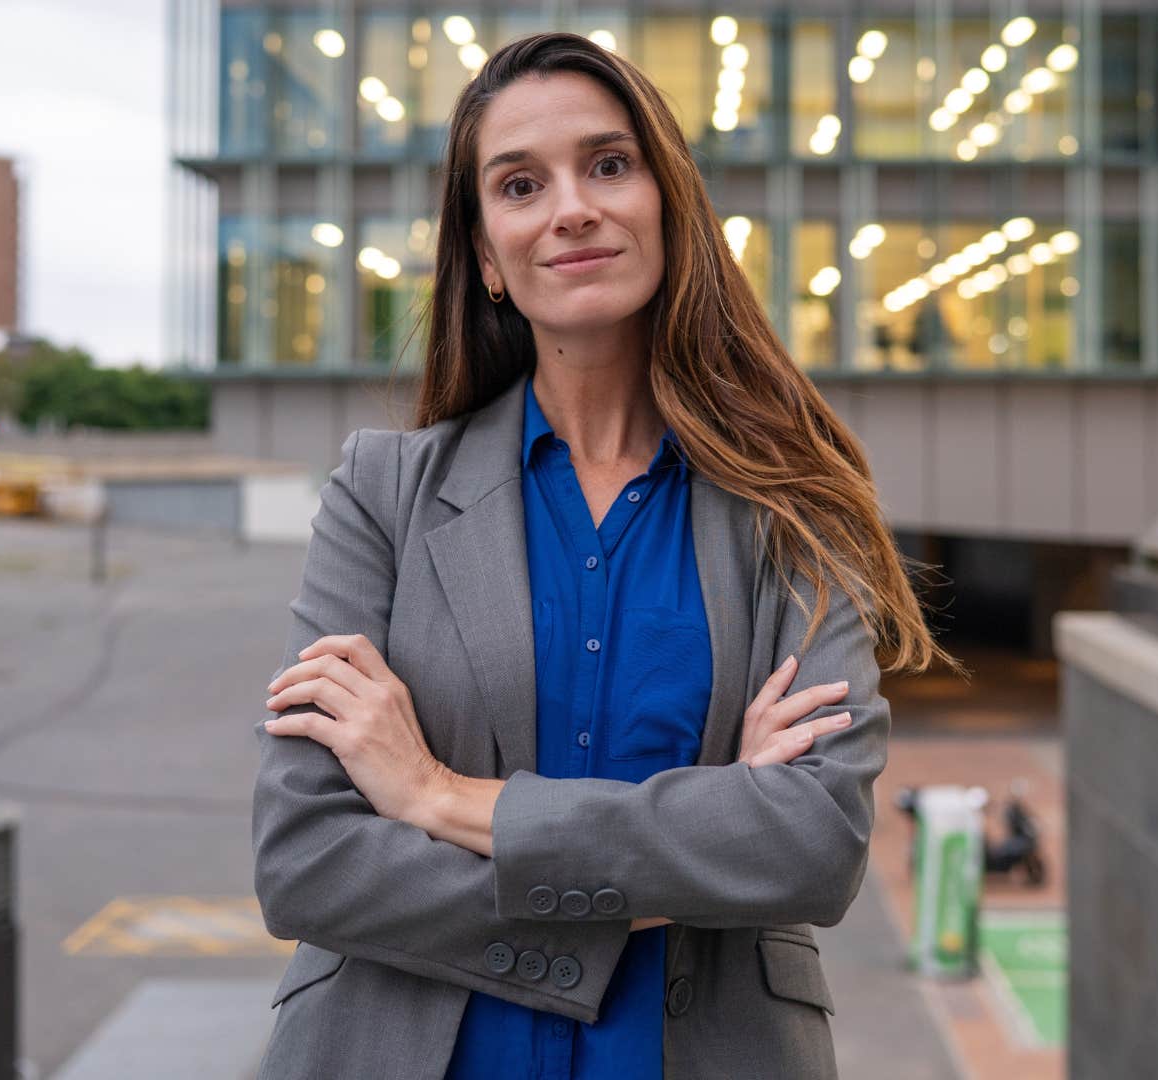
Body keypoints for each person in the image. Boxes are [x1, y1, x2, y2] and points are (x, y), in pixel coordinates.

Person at [250, 31, 963, 1079]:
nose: (572, 207)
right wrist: (684, 863)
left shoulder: (795, 506)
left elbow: (812, 844)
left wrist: (439, 796)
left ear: (667, 205)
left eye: (609, 165)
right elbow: (307, 860)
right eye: (521, 184)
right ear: (488, 256)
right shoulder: (384, 494)